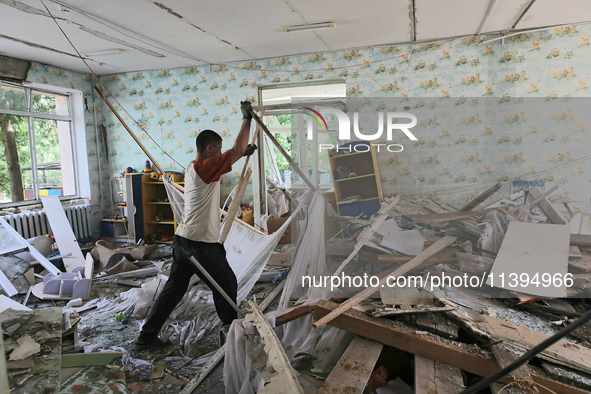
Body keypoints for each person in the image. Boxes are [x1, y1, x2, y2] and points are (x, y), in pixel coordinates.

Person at [135, 101, 256, 348]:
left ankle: (146, 337)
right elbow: (236, 148)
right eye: (218, 149)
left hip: (185, 241)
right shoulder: (205, 168)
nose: (221, 153)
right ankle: (231, 337)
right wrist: (247, 120)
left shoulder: (194, 167)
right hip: (198, 244)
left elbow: (236, 152)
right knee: (226, 284)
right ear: (209, 148)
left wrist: (241, 153)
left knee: (174, 291)